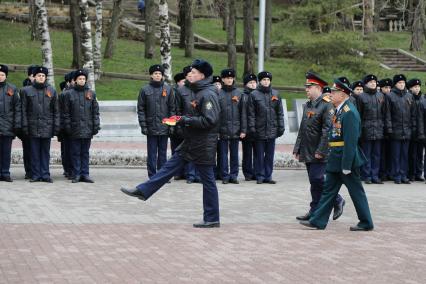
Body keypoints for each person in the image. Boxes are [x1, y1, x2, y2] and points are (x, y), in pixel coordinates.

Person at [121, 59, 221, 228]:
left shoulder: (208, 94)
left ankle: (212, 218)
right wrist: (180, 120)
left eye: (194, 72)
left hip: (204, 144)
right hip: (192, 141)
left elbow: (210, 120)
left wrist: (184, 119)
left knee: (208, 181)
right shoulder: (196, 90)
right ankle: (143, 190)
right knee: (169, 167)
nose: (191, 74)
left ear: (202, 75)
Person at [300, 78, 374, 231]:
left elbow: (351, 141)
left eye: (334, 92)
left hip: (347, 160)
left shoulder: (349, 113)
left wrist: (347, 165)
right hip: (335, 158)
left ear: (343, 94)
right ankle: (318, 221)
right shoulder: (338, 110)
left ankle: (366, 222)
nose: (331, 94)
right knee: (328, 191)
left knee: (356, 192)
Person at [294, 72, 345, 221]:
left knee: (318, 179)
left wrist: (321, 151)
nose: (306, 89)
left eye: (309, 87)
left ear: (318, 87)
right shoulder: (309, 104)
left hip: (319, 151)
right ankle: (314, 210)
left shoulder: (326, 105)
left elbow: (328, 130)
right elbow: (303, 128)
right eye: (306, 87)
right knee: (314, 181)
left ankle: (337, 200)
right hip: (308, 149)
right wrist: (298, 148)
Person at [21, 66, 60, 183]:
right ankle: (35, 174)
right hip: (32, 126)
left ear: (46, 77)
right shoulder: (26, 91)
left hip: (47, 126)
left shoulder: (51, 91)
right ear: (34, 77)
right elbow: (23, 110)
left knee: (45, 152)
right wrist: (24, 126)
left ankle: (45, 174)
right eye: (39, 75)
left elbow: (56, 110)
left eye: (43, 76)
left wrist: (56, 126)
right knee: (33, 152)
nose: (41, 77)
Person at [137, 64, 175, 179]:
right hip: (151, 127)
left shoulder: (168, 89)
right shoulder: (145, 90)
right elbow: (141, 109)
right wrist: (143, 126)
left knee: (163, 154)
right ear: (151, 75)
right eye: (155, 74)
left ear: (162, 76)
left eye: (160, 74)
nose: (158, 76)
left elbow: (172, 108)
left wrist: (171, 125)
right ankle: (152, 175)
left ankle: (161, 175)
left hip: (164, 127)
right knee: (152, 153)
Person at [63, 69, 100, 183]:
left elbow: (95, 111)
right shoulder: (69, 94)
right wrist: (68, 126)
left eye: (84, 79)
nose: (82, 80)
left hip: (87, 128)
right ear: (75, 80)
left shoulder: (91, 93)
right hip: (74, 128)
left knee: (85, 152)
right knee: (75, 152)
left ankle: (85, 173)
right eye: (80, 79)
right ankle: (76, 174)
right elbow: (66, 113)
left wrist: (95, 126)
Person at [248, 71, 285, 184]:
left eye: (268, 80)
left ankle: (268, 176)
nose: (266, 82)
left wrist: (281, 127)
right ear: (260, 81)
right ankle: (260, 175)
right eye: (264, 80)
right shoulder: (254, 95)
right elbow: (251, 114)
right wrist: (252, 128)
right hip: (259, 130)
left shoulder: (276, 94)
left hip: (272, 130)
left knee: (269, 155)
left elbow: (280, 113)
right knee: (259, 155)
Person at [386, 74, 416, 184]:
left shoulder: (409, 96)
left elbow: (413, 114)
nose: (402, 84)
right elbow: (388, 114)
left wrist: (413, 127)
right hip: (395, 129)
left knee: (404, 154)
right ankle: (396, 175)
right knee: (396, 155)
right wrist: (389, 128)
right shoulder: (390, 96)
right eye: (399, 83)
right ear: (395, 84)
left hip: (407, 130)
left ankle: (404, 175)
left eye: (403, 82)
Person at [217, 68, 246, 184]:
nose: (229, 80)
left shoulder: (239, 93)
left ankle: (233, 175)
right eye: (227, 78)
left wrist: (243, 130)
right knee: (223, 154)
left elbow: (243, 113)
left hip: (236, 129)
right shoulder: (218, 93)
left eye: (231, 78)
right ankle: (224, 175)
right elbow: (216, 114)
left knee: (234, 154)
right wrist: (216, 130)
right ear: (223, 79)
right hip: (222, 129)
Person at [357, 74, 386, 184]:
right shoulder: (361, 97)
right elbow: (358, 115)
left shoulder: (381, 96)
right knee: (366, 154)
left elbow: (384, 113)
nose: (373, 83)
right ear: (366, 84)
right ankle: (367, 176)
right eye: (371, 82)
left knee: (377, 154)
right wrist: (360, 130)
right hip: (366, 129)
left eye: (374, 82)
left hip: (378, 129)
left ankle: (375, 175)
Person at [175, 66, 201, 184]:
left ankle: (198, 174)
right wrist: (180, 125)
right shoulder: (181, 91)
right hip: (186, 124)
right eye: (189, 75)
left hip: (199, 124)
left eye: (193, 75)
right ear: (185, 77)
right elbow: (177, 110)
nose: (191, 77)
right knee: (189, 150)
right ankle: (190, 175)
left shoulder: (201, 89)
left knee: (199, 150)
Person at [0, 64, 21, 182]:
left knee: (6, 151)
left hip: (8, 126)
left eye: (2, 74)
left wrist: (16, 124)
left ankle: (5, 172)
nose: (0, 76)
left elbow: (17, 108)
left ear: (6, 76)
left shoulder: (12, 89)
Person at [406, 79, 425, 181]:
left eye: (418, 86)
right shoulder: (409, 98)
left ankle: (418, 173)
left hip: (421, 130)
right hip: (411, 129)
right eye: (415, 87)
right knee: (411, 154)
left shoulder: (422, 98)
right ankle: (411, 173)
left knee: (419, 153)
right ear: (410, 88)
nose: (417, 88)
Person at [169, 72, 186, 180]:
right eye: (183, 81)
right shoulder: (173, 93)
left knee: (185, 150)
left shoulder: (187, 92)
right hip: (175, 125)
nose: (185, 83)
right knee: (176, 150)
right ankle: (177, 173)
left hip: (185, 125)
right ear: (178, 82)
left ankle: (185, 172)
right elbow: (173, 110)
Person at [241, 73, 257, 181]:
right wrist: (243, 129)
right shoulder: (243, 96)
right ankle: (247, 173)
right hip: (246, 129)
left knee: (257, 152)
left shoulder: (258, 95)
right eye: (250, 83)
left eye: (254, 82)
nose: (253, 84)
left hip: (257, 128)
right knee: (247, 153)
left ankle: (256, 172)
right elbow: (243, 114)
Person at [378, 78, 393, 181]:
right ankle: (382, 173)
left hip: (390, 129)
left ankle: (388, 172)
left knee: (389, 153)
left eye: (389, 87)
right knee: (381, 153)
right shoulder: (380, 98)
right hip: (379, 129)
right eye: (385, 87)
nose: (388, 90)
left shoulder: (391, 98)